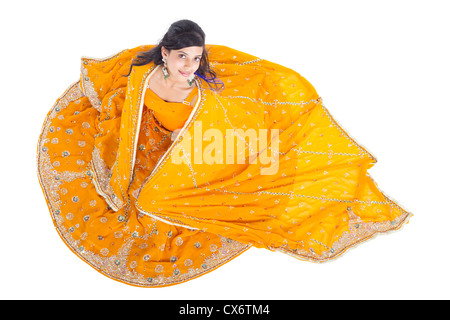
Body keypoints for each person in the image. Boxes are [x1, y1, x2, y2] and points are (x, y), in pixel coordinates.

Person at [37, 20, 411, 287]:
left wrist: (198, 132)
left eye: (196, 58)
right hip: (176, 144)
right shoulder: (144, 79)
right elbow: (133, 122)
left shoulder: (199, 79)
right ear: (165, 54)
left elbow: (219, 108)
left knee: (263, 164)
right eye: (182, 57)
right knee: (153, 201)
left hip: (213, 135)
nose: (189, 66)